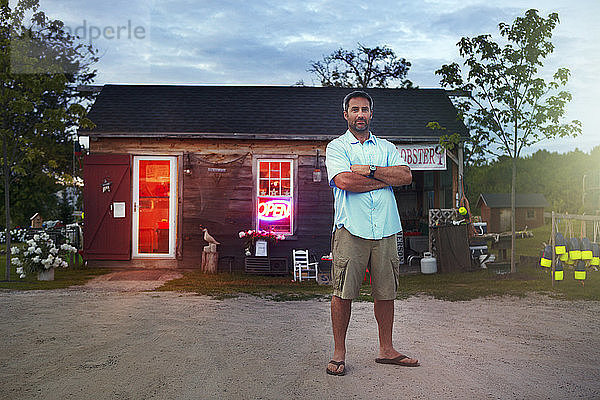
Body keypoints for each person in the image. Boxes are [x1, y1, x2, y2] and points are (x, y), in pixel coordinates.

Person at [324, 90, 418, 376]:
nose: (360, 114)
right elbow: (343, 180)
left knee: (386, 292)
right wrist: (383, 180)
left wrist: (370, 170)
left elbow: (405, 176)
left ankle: (386, 350)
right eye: (355, 110)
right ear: (346, 115)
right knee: (343, 291)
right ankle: (339, 354)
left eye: (365, 109)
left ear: (371, 114)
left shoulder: (386, 148)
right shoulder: (337, 147)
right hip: (351, 228)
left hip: (386, 228)